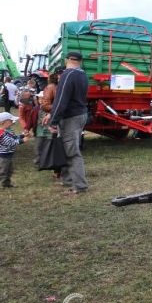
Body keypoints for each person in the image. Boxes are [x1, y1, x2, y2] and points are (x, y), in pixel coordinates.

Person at [44, 51, 89, 195]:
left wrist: (53, 121)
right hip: (80, 114)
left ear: (67, 60)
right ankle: (67, 179)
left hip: (70, 117)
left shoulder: (67, 75)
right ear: (80, 61)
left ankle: (80, 185)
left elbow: (61, 100)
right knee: (67, 148)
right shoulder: (82, 74)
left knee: (72, 151)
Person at [0, 112, 30, 191]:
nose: (13, 122)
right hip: (2, 156)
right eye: (11, 121)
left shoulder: (8, 130)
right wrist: (23, 140)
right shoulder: (1, 134)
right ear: (3, 122)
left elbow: (14, 137)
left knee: (9, 170)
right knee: (2, 171)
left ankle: (6, 184)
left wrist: (22, 135)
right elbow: (11, 143)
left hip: (7, 155)